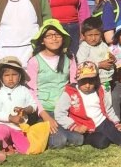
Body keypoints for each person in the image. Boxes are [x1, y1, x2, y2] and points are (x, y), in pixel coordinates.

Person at [55, 61, 121, 149]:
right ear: (77, 79)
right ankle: (98, 137)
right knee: (101, 143)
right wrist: (75, 127)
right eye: (83, 81)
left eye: (91, 81)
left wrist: (116, 123)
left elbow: (108, 109)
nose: (87, 85)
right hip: (85, 128)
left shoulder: (100, 90)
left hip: (103, 123)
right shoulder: (70, 93)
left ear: (96, 80)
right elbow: (59, 113)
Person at [26, 20, 81, 149]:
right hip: (45, 109)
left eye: (57, 35)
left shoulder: (70, 57)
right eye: (49, 36)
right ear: (42, 40)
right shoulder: (34, 61)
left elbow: (73, 84)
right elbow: (31, 91)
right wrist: (45, 116)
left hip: (64, 108)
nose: (54, 38)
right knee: (59, 141)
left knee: (79, 139)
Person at [0, 56, 39, 155]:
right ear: (1, 77)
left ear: (20, 76)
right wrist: (10, 118)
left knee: (25, 150)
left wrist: (25, 110)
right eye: (7, 75)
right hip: (3, 125)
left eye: (14, 75)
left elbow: (33, 105)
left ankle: (14, 144)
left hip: (19, 127)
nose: (10, 78)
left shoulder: (24, 90)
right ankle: (6, 145)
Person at [76, 17, 114, 90]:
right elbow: (82, 64)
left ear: (101, 34)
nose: (93, 38)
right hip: (90, 82)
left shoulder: (103, 45)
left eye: (96, 34)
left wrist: (112, 58)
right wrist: (99, 65)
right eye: (90, 35)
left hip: (105, 79)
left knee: (106, 99)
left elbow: (108, 55)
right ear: (83, 36)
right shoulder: (83, 48)